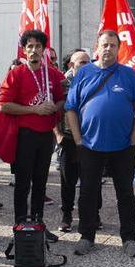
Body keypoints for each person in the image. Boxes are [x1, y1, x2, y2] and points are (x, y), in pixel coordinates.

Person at [65, 30, 135, 257]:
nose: (108, 49)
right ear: (97, 47)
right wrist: (79, 140)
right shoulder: (84, 73)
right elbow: (70, 109)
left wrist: (133, 139)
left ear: (118, 48)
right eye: (105, 45)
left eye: (113, 45)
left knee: (125, 194)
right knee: (88, 193)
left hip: (123, 146)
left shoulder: (129, 75)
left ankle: (129, 238)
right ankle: (86, 236)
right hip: (90, 146)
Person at [0, 30, 65, 236]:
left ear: (44, 50)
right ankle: (19, 225)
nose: (34, 50)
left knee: (41, 182)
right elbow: (4, 106)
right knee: (22, 183)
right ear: (24, 50)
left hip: (46, 136)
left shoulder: (52, 73)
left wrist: (55, 107)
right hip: (25, 135)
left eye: (38, 46)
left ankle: (38, 224)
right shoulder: (16, 73)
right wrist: (34, 109)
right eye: (30, 46)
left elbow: (63, 98)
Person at [55, 49, 101, 232]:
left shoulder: (96, 82)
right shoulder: (61, 85)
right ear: (71, 66)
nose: (86, 66)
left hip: (91, 139)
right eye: (82, 62)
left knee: (93, 179)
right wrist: (57, 134)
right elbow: (55, 111)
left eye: (88, 62)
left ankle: (93, 214)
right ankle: (67, 215)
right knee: (68, 180)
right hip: (67, 139)